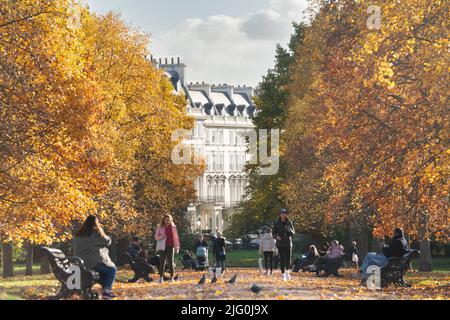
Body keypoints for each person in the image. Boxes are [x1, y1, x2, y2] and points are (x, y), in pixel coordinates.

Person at [73, 215, 116, 299]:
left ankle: (106, 291)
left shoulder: (78, 234)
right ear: (96, 223)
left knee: (103, 273)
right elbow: (108, 242)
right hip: (93, 263)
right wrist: (101, 230)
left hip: (80, 264)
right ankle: (106, 292)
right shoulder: (95, 233)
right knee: (112, 269)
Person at [155, 214, 180, 284]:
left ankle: (172, 277)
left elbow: (176, 238)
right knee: (162, 263)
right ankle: (161, 278)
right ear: (163, 220)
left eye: (168, 220)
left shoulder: (173, 227)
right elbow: (156, 237)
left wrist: (177, 247)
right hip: (162, 247)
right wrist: (161, 236)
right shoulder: (160, 227)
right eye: (166, 220)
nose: (167, 221)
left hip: (170, 246)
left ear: (170, 220)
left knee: (170, 263)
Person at [272, 208, 295, 281]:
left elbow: (293, 233)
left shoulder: (289, 222)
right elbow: (273, 233)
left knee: (288, 259)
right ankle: (283, 274)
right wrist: (276, 237)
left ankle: (287, 272)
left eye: (285, 213)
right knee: (281, 259)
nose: (284, 215)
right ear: (280, 214)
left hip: (288, 242)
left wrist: (288, 229)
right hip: (280, 243)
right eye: (282, 213)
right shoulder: (276, 223)